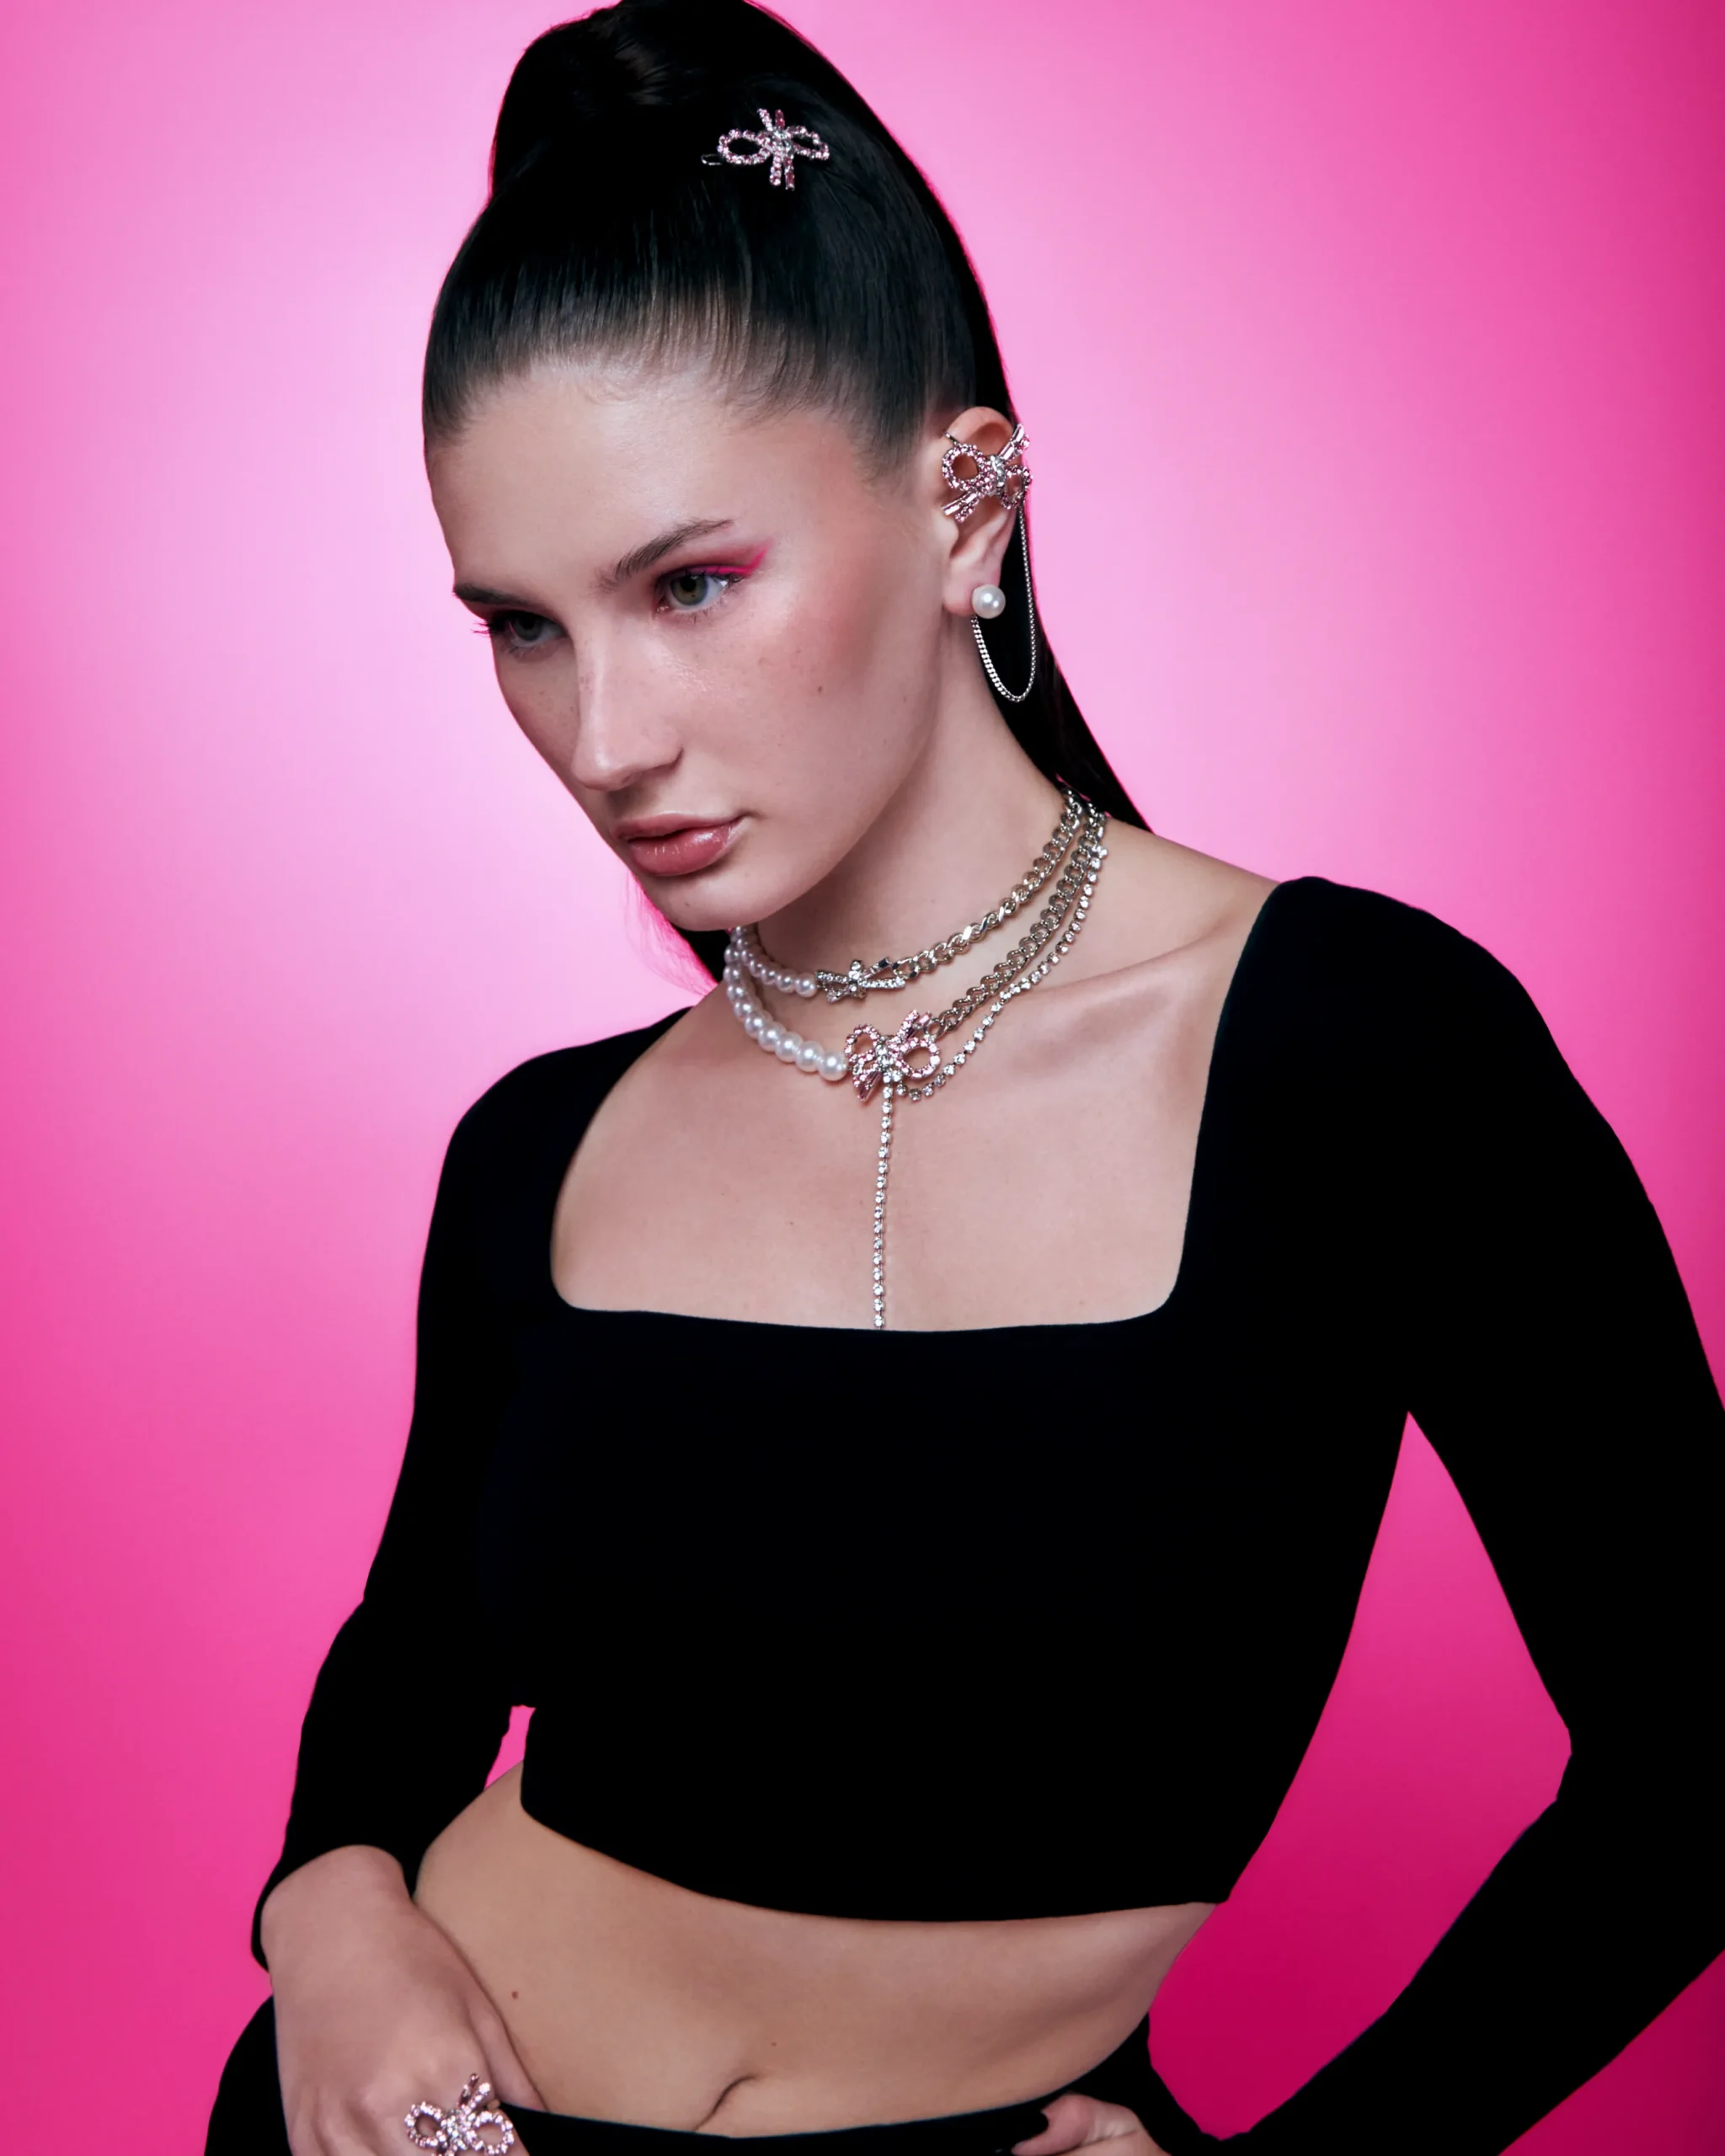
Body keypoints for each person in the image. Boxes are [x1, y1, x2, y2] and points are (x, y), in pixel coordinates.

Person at [206, 3, 1725, 2151]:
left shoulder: (1360, 1056)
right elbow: (411, 1662)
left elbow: (1700, 1750)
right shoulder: (542, 1144)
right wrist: (328, 1907)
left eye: (689, 583)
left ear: (964, 501)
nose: (606, 737)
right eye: (521, 625)